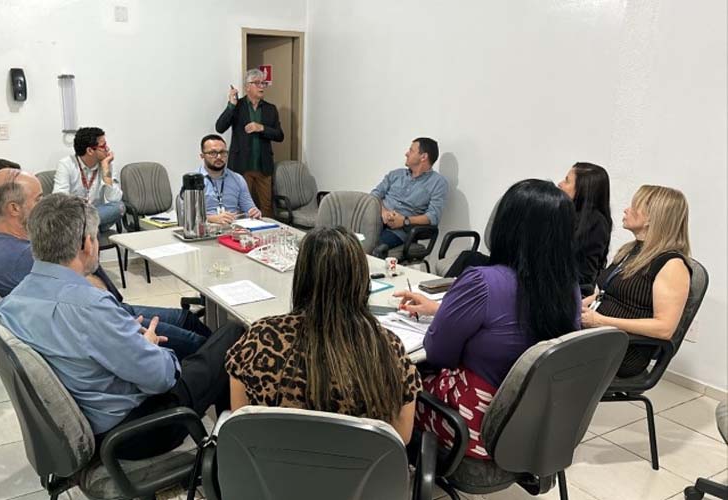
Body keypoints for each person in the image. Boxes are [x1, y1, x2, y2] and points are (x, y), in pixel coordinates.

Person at [0, 193, 244, 460]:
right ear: (87, 244)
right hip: (134, 433)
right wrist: (148, 347)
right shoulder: (90, 306)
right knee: (234, 335)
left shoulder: (9, 304)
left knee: (204, 347)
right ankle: (232, 452)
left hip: (85, 421)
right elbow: (162, 378)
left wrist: (123, 336)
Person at [395, 179, 580, 458]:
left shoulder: (482, 282)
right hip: (533, 426)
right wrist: (440, 309)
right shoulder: (569, 288)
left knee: (391, 382)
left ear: (507, 226)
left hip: (474, 427)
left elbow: (438, 353)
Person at [226, 226, 421, 443]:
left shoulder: (259, 339)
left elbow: (240, 425)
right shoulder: (386, 348)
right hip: (359, 476)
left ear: (301, 277)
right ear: (362, 281)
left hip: (269, 474)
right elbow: (401, 436)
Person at [0, 173, 210, 360]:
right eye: (39, 199)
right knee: (205, 345)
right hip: (110, 322)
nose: (45, 206)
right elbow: (92, 305)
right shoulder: (23, 255)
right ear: (14, 208)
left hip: (109, 315)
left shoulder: (8, 244)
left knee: (189, 320)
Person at [581, 185, 692, 378]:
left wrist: (600, 320)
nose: (626, 210)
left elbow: (664, 328)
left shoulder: (672, 265)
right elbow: (607, 291)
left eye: (633, 206)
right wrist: (581, 305)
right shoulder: (630, 250)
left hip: (625, 351)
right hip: (599, 337)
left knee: (541, 354)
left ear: (651, 218)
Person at [215, 68, 283, 217]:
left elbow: (279, 135)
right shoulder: (237, 106)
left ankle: (265, 236)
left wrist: (262, 128)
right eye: (257, 83)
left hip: (263, 167)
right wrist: (231, 105)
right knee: (240, 206)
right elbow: (219, 127)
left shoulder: (270, 109)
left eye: (263, 83)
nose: (261, 87)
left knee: (266, 207)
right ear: (247, 86)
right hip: (241, 166)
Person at [370, 138, 448, 258]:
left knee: (369, 248)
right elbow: (375, 195)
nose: (406, 153)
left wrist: (404, 221)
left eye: (411, 151)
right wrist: (384, 212)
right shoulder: (395, 174)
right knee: (347, 241)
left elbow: (433, 216)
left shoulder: (438, 183)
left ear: (423, 157)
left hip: (399, 231)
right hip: (375, 220)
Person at [54, 126, 124, 233]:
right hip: (75, 215)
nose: (108, 149)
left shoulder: (107, 163)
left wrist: (106, 167)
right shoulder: (66, 164)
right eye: (103, 146)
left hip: (89, 219)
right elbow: (59, 199)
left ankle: (85, 231)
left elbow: (114, 199)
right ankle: (88, 231)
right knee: (65, 217)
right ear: (90, 150)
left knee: (120, 207)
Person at [558, 162, 613, 296]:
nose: (560, 184)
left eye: (567, 181)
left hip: (571, 295)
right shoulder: (569, 214)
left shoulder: (595, 222)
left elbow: (582, 270)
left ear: (583, 189)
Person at [197, 134, 262, 225]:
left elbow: (249, 208)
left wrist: (254, 212)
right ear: (202, 156)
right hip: (206, 228)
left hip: (234, 228)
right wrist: (212, 218)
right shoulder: (193, 182)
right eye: (213, 153)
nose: (219, 157)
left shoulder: (238, 179)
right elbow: (185, 215)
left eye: (223, 152)